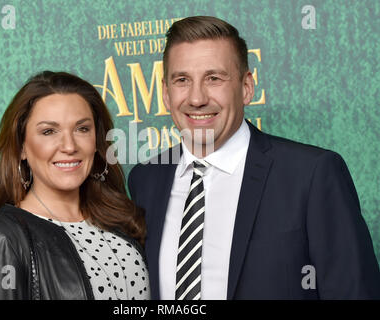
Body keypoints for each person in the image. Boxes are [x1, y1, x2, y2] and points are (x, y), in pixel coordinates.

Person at [128, 16, 380, 299]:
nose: (196, 98)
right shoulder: (145, 180)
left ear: (246, 87)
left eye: (214, 78)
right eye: (182, 80)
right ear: (165, 92)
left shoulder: (312, 174)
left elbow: (354, 291)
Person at [0, 71, 150, 300]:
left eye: (82, 129)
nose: (69, 146)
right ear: (22, 147)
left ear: (97, 141)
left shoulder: (122, 222)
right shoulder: (1, 238)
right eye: (49, 131)